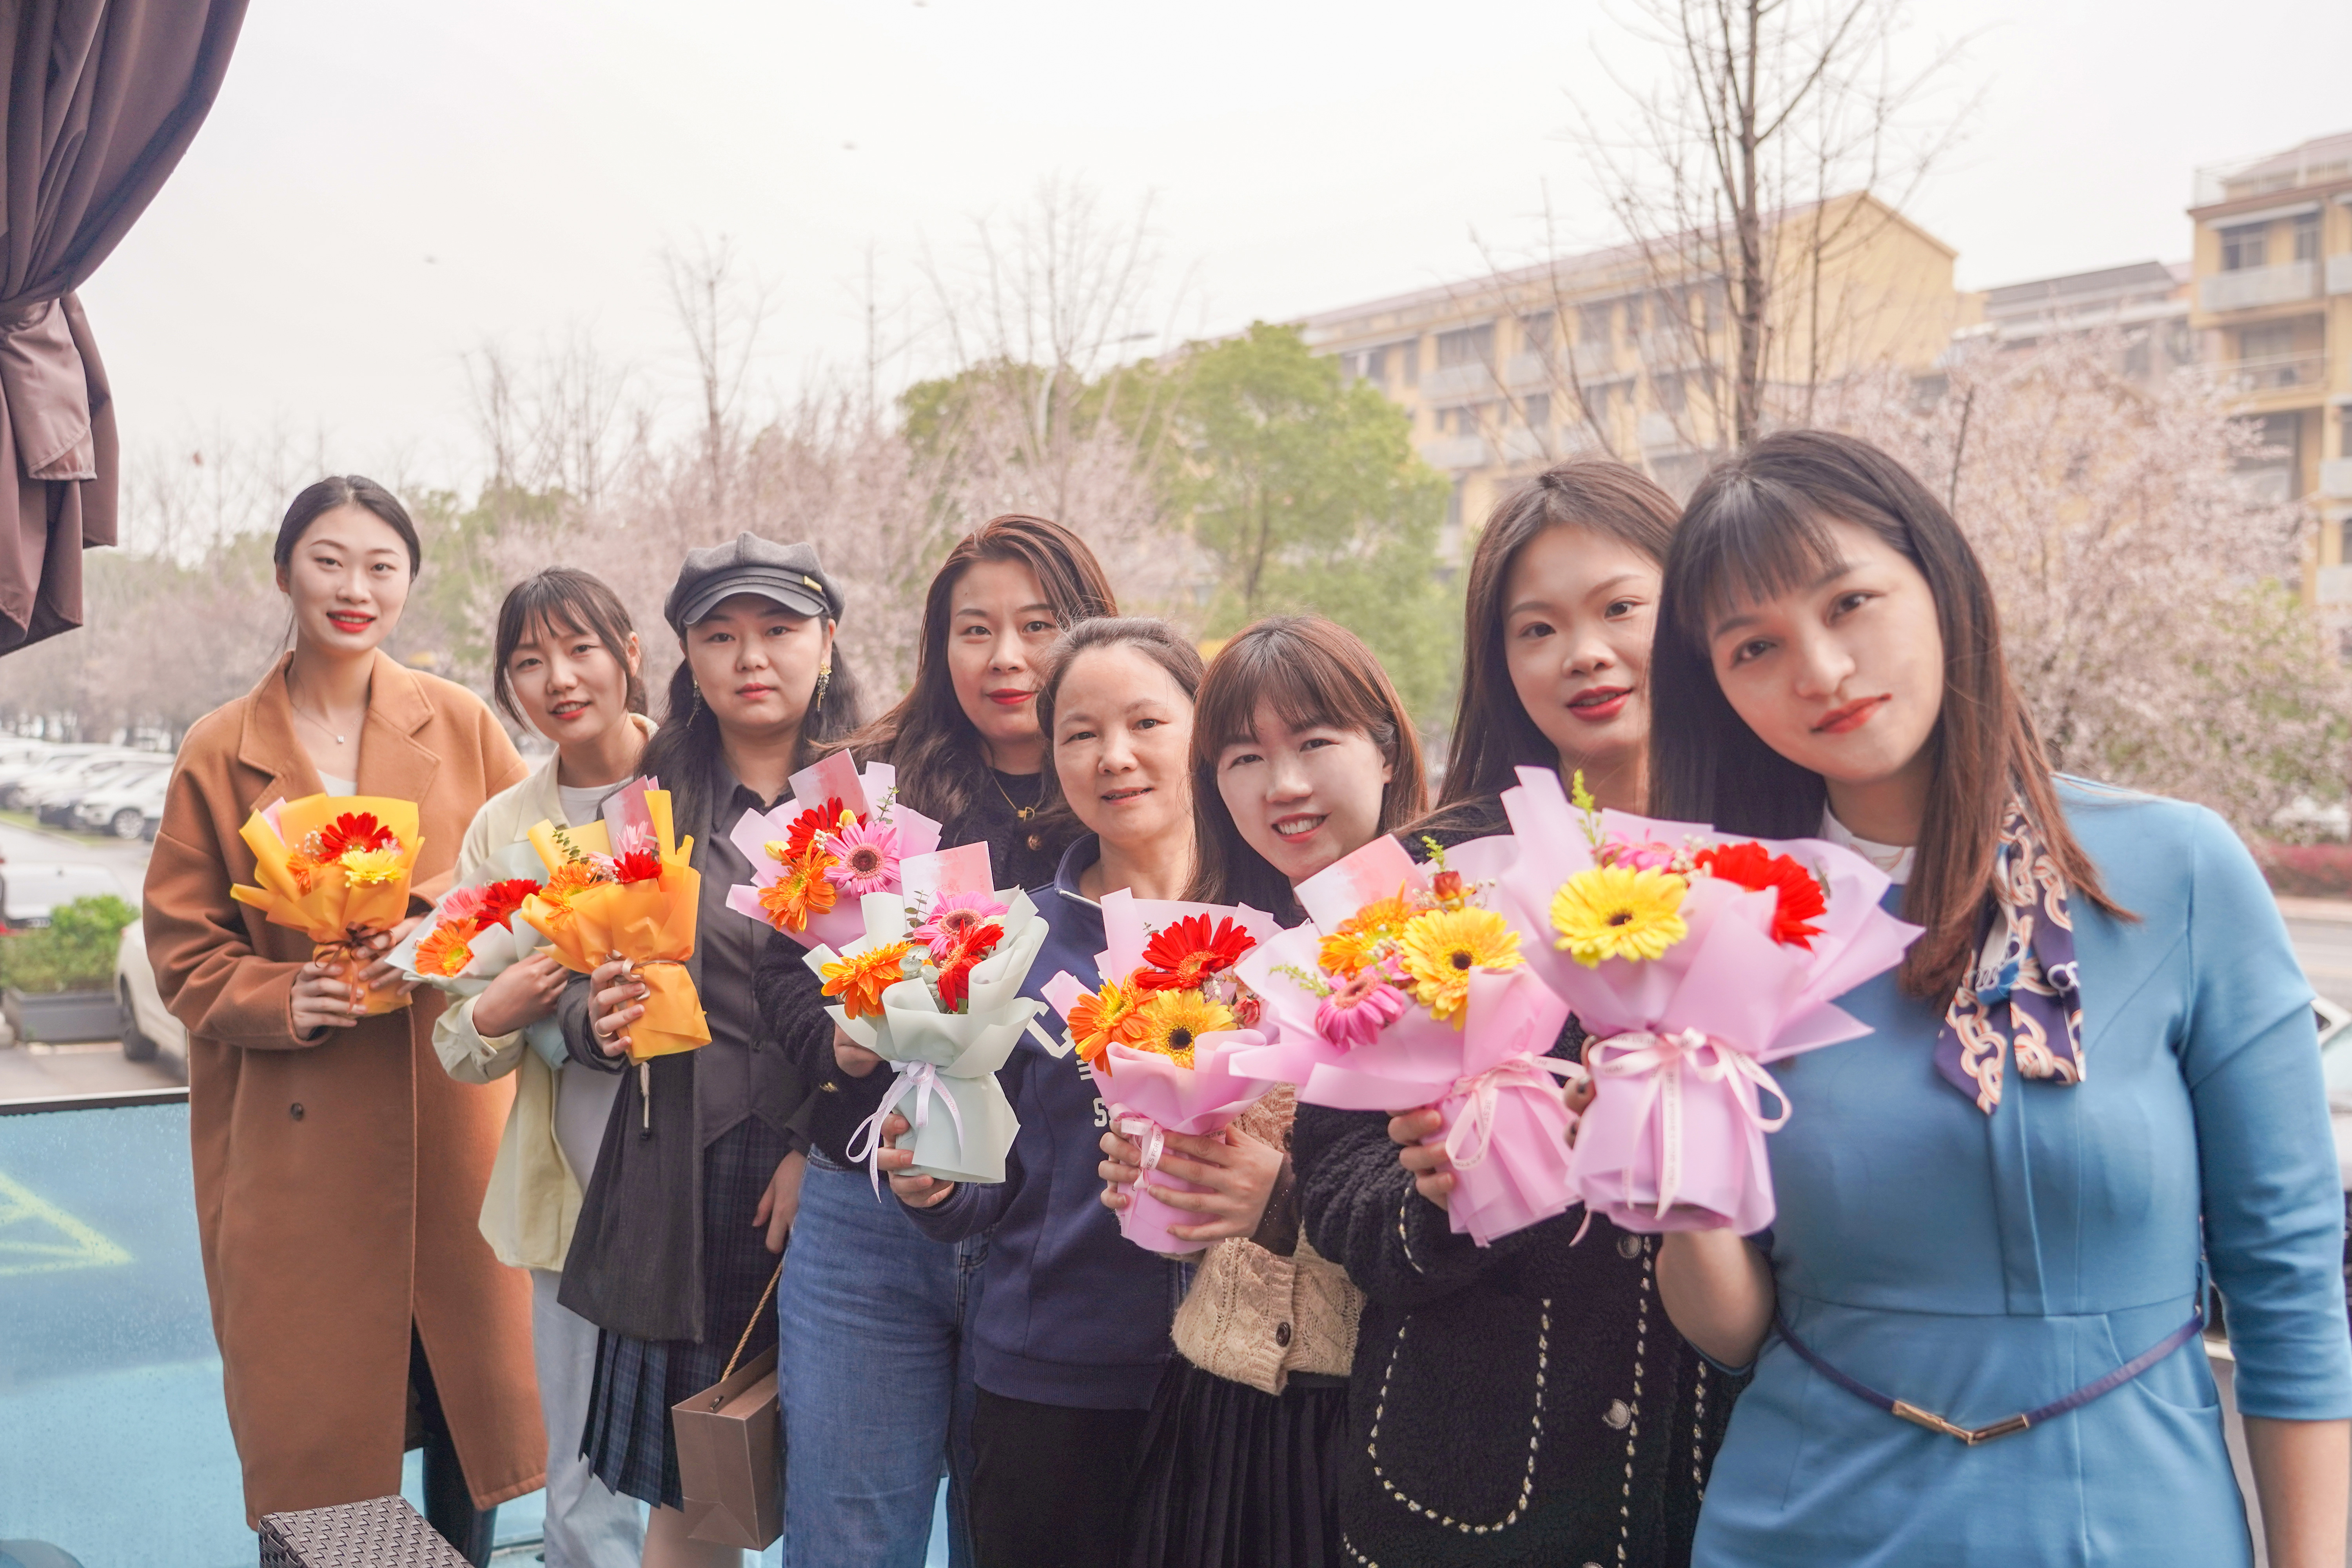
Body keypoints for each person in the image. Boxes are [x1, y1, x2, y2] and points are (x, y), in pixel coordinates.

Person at [1642, 430, 2352, 1567]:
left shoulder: (2175, 869)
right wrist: (1665, 1142)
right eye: (1754, 646)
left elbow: (2289, 1279)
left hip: (2132, 1527)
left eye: (1850, 602)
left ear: (1942, 583)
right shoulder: (1711, 921)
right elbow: (1731, 1332)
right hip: (1806, 1520)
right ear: (1717, 689)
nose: (1820, 669)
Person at [1289, 459, 1731, 1566]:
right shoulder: (1431, 872)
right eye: (1537, 629)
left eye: (1621, 608)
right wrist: (1439, 1195)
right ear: (1500, 664)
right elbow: (1334, 1178)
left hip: (1726, 1480)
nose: (1583, 652)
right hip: (1475, 1490)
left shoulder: (1779, 867)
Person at [143, 476, 542, 1563]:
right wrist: (287, 994)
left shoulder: (462, 724)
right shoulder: (219, 747)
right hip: (295, 1146)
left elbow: (528, 876)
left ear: (409, 583)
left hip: (452, 1131)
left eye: (381, 566)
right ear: (284, 573)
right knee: (319, 1446)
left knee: (467, 1414)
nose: (354, 586)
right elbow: (182, 949)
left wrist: (426, 928)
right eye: (328, 560)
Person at [751, 514, 1115, 1568]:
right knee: (849, 1535)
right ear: (937, 644)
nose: (1007, 657)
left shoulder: (1123, 782)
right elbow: (780, 971)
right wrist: (837, 1046)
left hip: (1046, 1226)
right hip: (868, 1212)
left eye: (1039, 625)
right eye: (975, 629)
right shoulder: (867, 784)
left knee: (1007, 1536)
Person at [1099, 615, 1426, 1568]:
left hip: (1377, 1419)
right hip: (1216, 1408)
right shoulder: (1208, 955)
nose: (1281, 784)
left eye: (1315, 742)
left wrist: (1284, 1200)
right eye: (1243, 757)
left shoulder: (1456, 935)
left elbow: (1474, 1215)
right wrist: (1152, 1170)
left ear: (1386, 749)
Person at [562, 534, 862, 1568]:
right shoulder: (647, 805)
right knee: (695, 1494)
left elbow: (915, 1005)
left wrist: (817, 1148)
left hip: (840, 1167)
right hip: (684, 1175)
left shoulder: (875, 804)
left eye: (779, 629)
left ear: (828, 641)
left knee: (844, 1483)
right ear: (687, 658)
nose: (751, 657)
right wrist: (595, 1017)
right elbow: (582, 974)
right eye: (721, 635)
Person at [883, 617, 1205, 1568]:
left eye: (1147, 722)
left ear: (1205, 726)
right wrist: (934, 1183)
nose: (1115, 756)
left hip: (1242, 1381)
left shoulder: (1278, 924)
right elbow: (992, 1185)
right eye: (1080, 733)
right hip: (1053, 1382)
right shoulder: (1013, 940)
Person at [432, 568, 653, 1568]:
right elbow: (458, 1029)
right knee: (581, 1472)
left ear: (630, 654)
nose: (559, 678)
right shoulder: (503, 826)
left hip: (703, 1173)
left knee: (704, 1465)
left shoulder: (697, 781)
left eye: (580, 649)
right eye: (529, 662)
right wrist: (500, 1007)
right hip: (570, 1179)